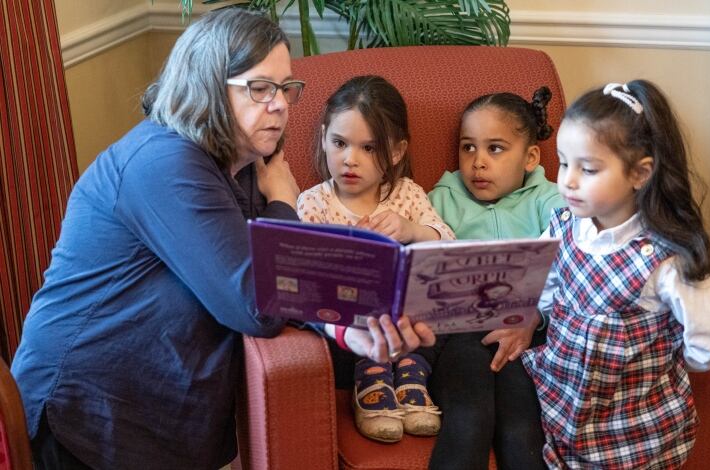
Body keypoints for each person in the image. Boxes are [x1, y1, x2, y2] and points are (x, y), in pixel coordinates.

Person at [10, 10, 432, 470]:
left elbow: (282, 282)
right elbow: (257, 301)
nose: (280, 105)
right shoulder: (165, 162)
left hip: (156, 412)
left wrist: (348, 327)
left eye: (286, 88)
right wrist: (284, 202)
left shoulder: (247, 160)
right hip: (86, 415)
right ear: (208, 84)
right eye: (259, 88)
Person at [522, 80, 710, 469]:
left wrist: (675, 360)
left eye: (588, 168)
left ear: (640, 174)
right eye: (562, 163)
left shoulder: (663, 257)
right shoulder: (565, 225)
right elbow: (542, 286)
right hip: (566, 405)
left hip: (633, 429)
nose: (568, 181)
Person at [298, 75, 454, 443]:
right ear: (324, 138)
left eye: (369, 148)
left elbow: (447, 244)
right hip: (352, 331)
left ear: (397, 152)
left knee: (445, 317)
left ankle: (413, 375)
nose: (350, 159)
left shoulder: (406, 195)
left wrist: (412, 230)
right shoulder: (313, 203)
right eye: (339, 143)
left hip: (410, 325)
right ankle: (373, 379)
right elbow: (306, 279)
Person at [425, 88, 563, 470]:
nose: (478, 163)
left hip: (528, 332)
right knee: (470, 418)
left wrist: (535, 316)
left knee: (521, 429)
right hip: (460, 335)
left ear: (530, 157)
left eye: (495, 149)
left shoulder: (551, 202)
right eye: (468, 148)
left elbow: (573, 270)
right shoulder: (440, 200)